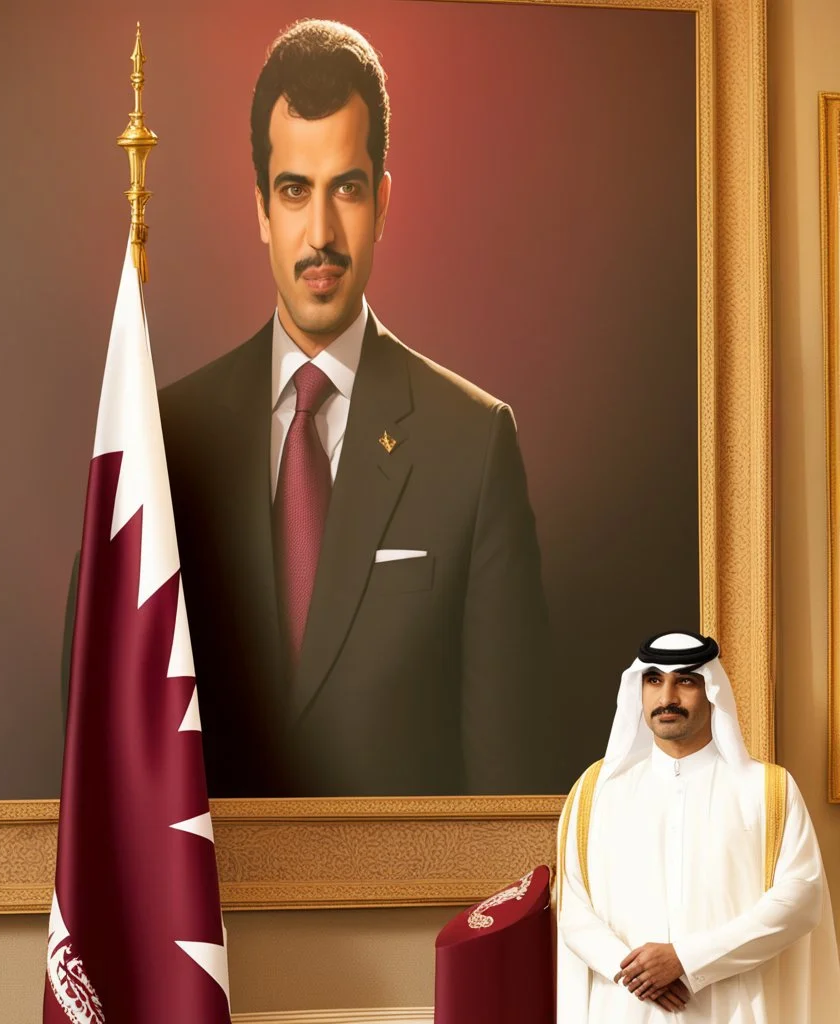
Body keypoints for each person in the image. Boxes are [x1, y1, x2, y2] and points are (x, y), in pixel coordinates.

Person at [156, 18, 551, 798]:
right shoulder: (168, 441)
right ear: (261, 209)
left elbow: (512, 795)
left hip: (408, 915)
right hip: (214, 914)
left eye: (348, 188)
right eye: (295, 191)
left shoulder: (475, 447)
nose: (321, 234)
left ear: (384, 202)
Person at [556, 631, 840, 1022]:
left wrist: (687, 961)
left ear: (712, 691)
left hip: (733, 1008)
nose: (667, 697)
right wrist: (637, 974)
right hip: (627, 1007)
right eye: (654, 680)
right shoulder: (597, 791)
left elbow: (799, 899)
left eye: (685, 681)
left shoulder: (766, 789)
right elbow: (573, 908)